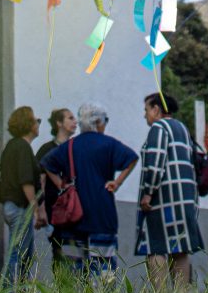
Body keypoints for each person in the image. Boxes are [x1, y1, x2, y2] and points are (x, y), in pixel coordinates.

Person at [40, 101, 139, 276]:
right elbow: (132, 158)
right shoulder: (109, 144)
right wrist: (117, 182)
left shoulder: (70, 146)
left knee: (72, 274)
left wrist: (60, 183)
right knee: (103, 272)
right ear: (99, 122)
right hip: (102, 215)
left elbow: (47, 163)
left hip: (72, 218)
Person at [134, 94, 203, 286]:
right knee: (179, 249)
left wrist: (148, 193)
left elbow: (155, 162)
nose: (145, 115)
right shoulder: (181, 128)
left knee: (155, 247)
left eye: (146, 110)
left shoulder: (159, 128)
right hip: (186, 199)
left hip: (163, 199)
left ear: (156, 109)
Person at [0, 106, 45, 285]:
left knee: (24, 252)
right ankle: (10, 292)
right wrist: (35, 209)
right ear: (28, 124)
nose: (38, 124)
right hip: (19, 207)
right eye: (36, 120)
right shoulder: (23, 147)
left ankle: (19, 290)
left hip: (11, 205)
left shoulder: (12, 146)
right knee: (18, 253)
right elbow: (26, 181)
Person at [36, 108, 78, 269]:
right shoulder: (47, 149)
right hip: (54, 208)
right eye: (70, 118)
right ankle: (62, 282)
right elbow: (40, 181)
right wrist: (40, 210)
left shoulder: (75, 148)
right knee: (59, 250)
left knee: (76, 252)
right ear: (59, 123)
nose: (75, 122)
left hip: (74, 209)